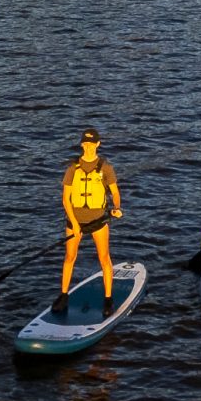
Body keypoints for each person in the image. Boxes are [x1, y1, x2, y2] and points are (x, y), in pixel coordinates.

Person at [59, 128, 123, 309]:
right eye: (85, 144)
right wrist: (75, 223)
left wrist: (117, 208)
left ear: (97, 144)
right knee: (70, 257)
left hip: (98, 221)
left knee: (104, 258)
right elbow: (66, 199)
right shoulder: (72, 168)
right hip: (75, 221)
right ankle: (63, 296)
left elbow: (115, 192)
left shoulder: (106, 167)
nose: (88, 148)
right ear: (82, 145)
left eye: (91, 144)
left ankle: (108, 298)